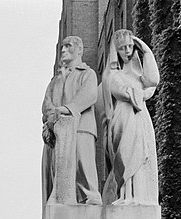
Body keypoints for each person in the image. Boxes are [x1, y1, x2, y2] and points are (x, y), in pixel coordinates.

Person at [97, 29, 160, 206]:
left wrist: (146, 50)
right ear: (116, 51)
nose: (127, 51)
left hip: (139, 118)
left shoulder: (138, 76)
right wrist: (142, 93)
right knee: (126, 156)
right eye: (123, 48)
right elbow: (122, 92)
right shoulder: (113, 75)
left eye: (130, 47)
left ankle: (139, 196)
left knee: (141, 157)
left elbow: (153, 81)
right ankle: (126, 196)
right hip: (123, 120)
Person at [41, 36, 102, 205]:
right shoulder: (56, 80)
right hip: (59, 129)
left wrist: (69, 109)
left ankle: (91, 195)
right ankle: (63, 198)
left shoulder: (87, 73)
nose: (63, 50)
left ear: (79, 50)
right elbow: (46, 103)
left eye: (68, 46)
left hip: (82, 126)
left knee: (83, 161)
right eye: (63, 47)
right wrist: (53, 114)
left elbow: (90, 95)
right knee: (60, 168)